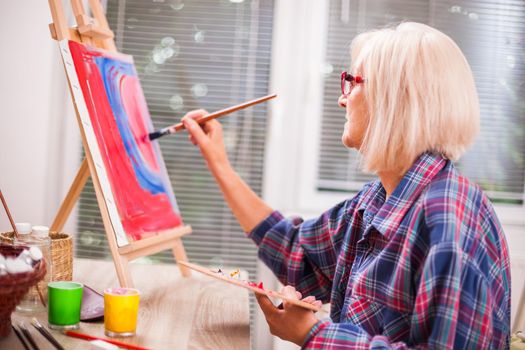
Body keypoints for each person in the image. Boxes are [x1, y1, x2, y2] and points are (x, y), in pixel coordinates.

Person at [181, 22, 511, 349]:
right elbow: (299, 254)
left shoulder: (449, 217)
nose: (343, 100)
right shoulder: (377, 199)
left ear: (393, 97)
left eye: (352, 82)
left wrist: (312, 335)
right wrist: (219, 163)